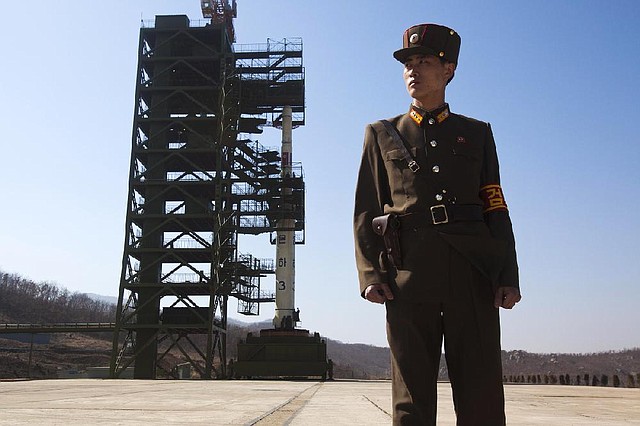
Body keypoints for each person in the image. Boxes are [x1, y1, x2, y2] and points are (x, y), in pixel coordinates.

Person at [353, 23, 521, 425]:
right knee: (411, 400)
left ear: (449, 70)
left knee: (481, 394)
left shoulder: (476, 134)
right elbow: (365, 207)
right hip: (408, 277)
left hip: (473, 273)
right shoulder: (381, 134)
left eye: (424, 61)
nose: (413, 69)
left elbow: (495, 206)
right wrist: (371, 273)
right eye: (408, 63)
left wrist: (507, 274)